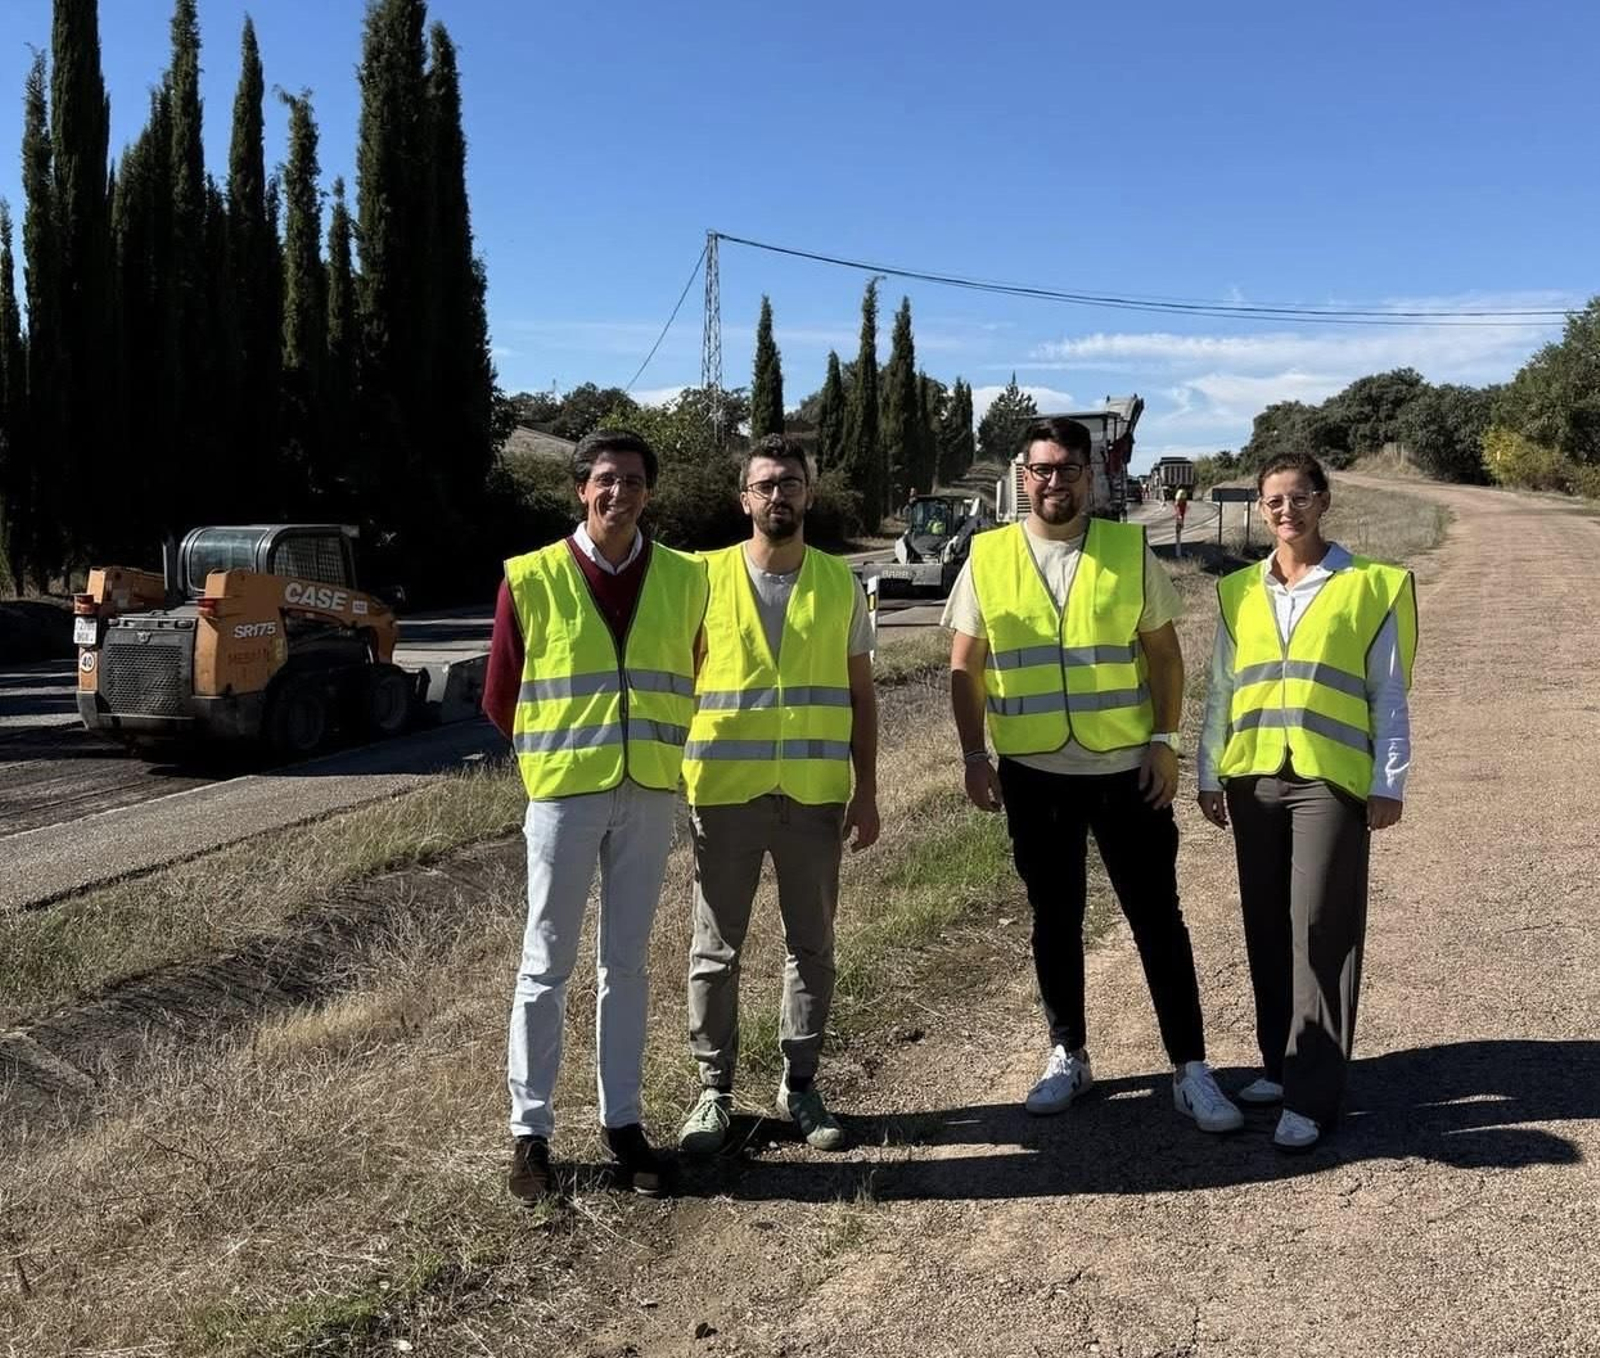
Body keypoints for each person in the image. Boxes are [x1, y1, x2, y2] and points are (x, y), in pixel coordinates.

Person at [945, 416, 1242, 1134]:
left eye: (1068, 469)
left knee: (1156, 917)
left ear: (1091, 476)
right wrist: (973, 757)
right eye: (1042, 470)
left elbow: (1165, 656)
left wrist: (1165, 741)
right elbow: (965, 666)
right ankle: (1069, 1054)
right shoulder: (987, 556)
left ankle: (1190, 1068)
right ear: (1024, 477)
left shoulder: (1124, 548)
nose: (1055, 482)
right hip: (1033, 771)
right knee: (1055, 917)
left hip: (1125, 769)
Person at [484, 428, 709, 1200]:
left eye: (635, 481)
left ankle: (624, 1125)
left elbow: (697, 672)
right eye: (606, 479)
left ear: (650, 492)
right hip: (563, 799)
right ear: (581, 488)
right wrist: (556, 762)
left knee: (629, 965)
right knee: (546, 965)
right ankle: (531, 1134)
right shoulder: (532, 576)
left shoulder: (686, 578)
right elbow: (500, 696)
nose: (620, 493)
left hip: (648, 792)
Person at [1197, 450, 1416, 1152]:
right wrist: (1208, 771)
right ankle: (1280, 1064)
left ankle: (1314, 1094)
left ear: (1323, 501)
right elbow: (1223, 692)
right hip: (1253, 776)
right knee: (1266, 925)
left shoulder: (1371, 586)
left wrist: (1389, 780)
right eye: (1274, 501)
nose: (1285, 511)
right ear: (1262, 510)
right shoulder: (1237, 591)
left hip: (1329, 779)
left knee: (1320, 925)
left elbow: (1388, 693)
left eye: (1299, 497)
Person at [678, 434, 880, 1156]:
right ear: (744, 499)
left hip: (814, 796)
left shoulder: (839, 583)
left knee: (812, 946)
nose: (777, 496)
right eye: (764, 485)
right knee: (714, 950)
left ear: (809, 495)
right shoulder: (699, 580)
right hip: (725, 795)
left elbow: (861, 694)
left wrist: (869, 790)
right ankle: (713, 1091)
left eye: (789, 483)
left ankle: (800, 1084)